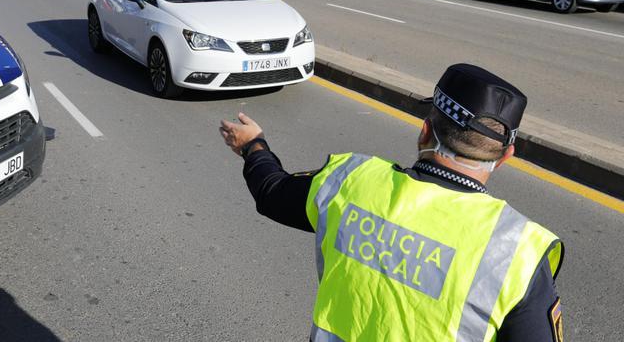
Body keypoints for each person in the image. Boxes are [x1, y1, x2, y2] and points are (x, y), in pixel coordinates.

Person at [219, 64, 564, 342]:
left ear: (425, 131)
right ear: (505, 157)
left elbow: (272, 193)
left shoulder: (350, 181)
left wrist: (254, 146)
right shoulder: (519, 251)